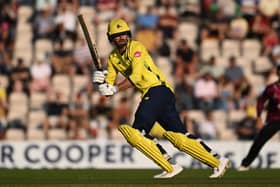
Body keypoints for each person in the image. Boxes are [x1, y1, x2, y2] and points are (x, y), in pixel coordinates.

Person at [92, 18, 230, 179]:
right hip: (155, 95)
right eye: (117, 35)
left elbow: (135, 77)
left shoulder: (137, 47)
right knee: (179, 137)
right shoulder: (113, 58)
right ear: (111, 38)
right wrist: (100, 82)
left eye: (124, 34)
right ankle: (218, 161)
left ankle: (170, 166)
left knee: (136, 132)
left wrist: (114, 88)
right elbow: (108, 91)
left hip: (158, 89)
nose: (122, 37)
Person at [238, 64, 280, 171]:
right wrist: (259, 117)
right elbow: (261, 101)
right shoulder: (271, 88)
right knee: (259, 141)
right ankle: (245, 164)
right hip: (274, 120)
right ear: (278, 73)